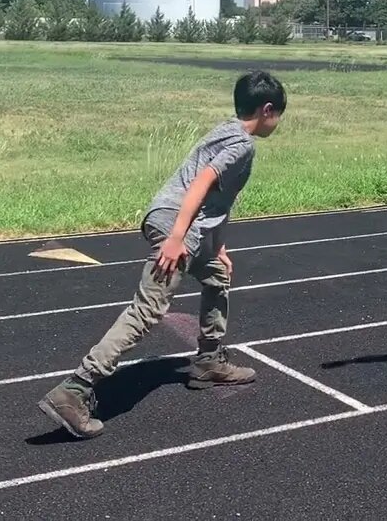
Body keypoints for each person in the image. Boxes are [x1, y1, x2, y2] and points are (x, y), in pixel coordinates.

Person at [38, 70, 287, 438]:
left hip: (179, 222)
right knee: (147, 310)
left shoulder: (224, 130)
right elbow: (201, 185)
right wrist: (176, 237)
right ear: (267, 110)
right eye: (279, 115)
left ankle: (209, 360)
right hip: (177, 225)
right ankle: (74, 390)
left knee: (217, 274)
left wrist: (216, 246)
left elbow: (219, 199)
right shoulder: (242, 145)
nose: (278, 123)